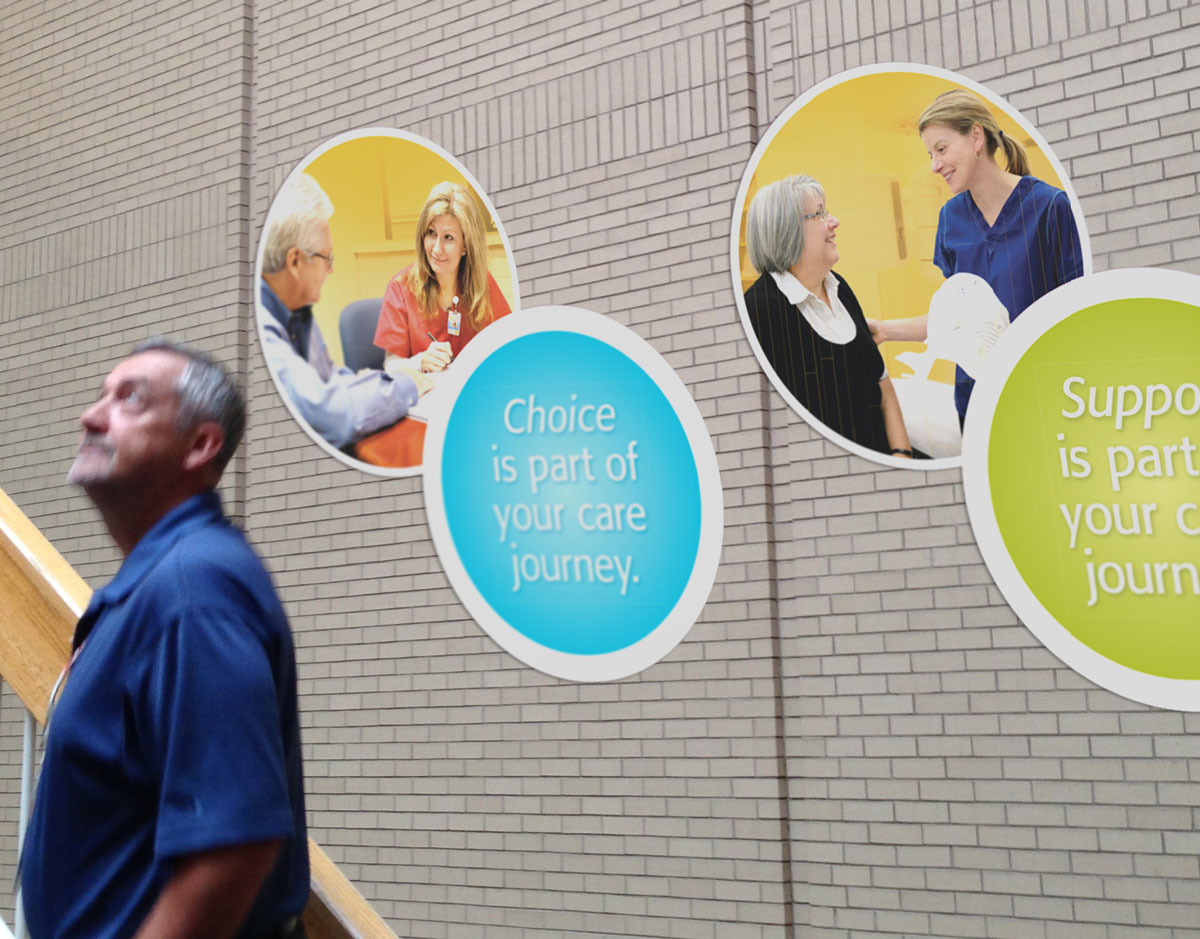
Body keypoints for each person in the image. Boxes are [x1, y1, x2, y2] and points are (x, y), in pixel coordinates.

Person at [21, 340, 309, 939]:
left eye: (129, 400)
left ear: (200, 444)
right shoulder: (160, 585)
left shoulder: (193, 592)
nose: (91, 416)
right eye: (101, 396)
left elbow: (238, 843)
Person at [870, 88, 1084, 423]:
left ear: (975, 137)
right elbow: (952, 322)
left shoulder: (1049, 208)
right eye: (929, 154)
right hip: (976, 408)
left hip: (1044, 399)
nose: (934, 165)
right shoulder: (951, 220)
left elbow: (1078, 314)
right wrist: (883, 330)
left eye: (941, 149)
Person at [742, 175, 913, 458]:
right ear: (788, 230)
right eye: (820, 213)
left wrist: (901, 454)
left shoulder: (839, 286)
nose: (834, 222)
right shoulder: (760, 311)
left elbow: (882, 382)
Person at [259, 173, 426, 449]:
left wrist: (367, 388)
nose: (332, 269)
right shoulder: (264, 333)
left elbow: (331, 379)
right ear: (296, 261)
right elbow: (334, 415)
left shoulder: (298, 314)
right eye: (327, 257)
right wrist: (405, 385)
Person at [373, 181, 511, 374]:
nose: (437, 249)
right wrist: (420, 362)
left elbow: (508, 343)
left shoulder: (482, 284)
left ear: (466, 245)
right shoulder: (400, 288)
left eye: (448, 238)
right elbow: (391, 367)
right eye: (431, 233)